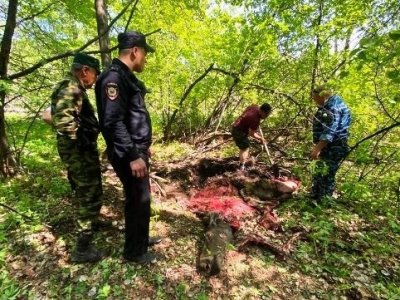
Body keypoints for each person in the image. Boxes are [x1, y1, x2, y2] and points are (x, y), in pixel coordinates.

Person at [95, 31, 160, 265]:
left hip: (135, 150)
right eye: (144, 53)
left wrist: (143, 148)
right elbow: (112, 122)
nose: (145, 59)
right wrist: (133, 155)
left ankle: (140, 240)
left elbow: (132, 117)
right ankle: (134, 252)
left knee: (141, 197)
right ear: (135, 51)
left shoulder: (126, 78)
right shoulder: (113, 79)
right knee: (138, 198)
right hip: (127, 153)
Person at [51, 53, 105, 263]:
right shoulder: (71, 88)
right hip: (79, 153)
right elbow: (64, 124)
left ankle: (91, 223)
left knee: (88, 191)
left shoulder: (69, 86)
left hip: (77, 152)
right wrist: (82, 143)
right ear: (85, 70)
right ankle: (82, 248)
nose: (95, 79)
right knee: (90, 195)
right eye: (95, 74)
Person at [310, 85, 351, 201]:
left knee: (327, 174)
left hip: (334, 147)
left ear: (322, 96)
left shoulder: (333, 108)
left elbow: (329, 132)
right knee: (319, 170)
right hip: (327, 146)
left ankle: (323, 201)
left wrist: (317, 149)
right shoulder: (331, 105)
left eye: (315, 97)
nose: (314, 100)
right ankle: (315, 196)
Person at [231, 103, 272, 170]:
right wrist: (261, 138)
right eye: (266, 114)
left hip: (236, 126)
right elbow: (251, 134)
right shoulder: (255, 120)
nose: (267, 116)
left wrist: (240, 117)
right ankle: (242, 166)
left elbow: (248, 107)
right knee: (245, 148)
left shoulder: (254, 107)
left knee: (244, 146)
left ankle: (241, 164)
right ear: (262, 111)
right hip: (238, 131)